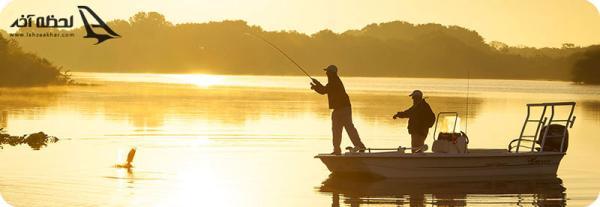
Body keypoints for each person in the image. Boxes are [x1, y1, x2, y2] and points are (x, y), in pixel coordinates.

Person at [311, 65, 366, 155]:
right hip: (337, 109)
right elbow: (325, 89)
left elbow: (324, 90)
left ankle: (360, 146)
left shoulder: (335, 81)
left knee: (349, 128)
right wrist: (317, 84)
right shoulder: (333, 81)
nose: (326, 73)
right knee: (336, 130)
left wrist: (316, 86)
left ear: (332, 73)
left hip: (344, 108)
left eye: (327, 72)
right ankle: (337, 150)